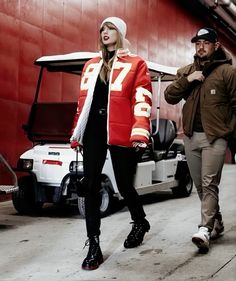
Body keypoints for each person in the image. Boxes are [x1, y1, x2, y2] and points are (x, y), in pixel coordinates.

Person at [70, 17, 152, 270]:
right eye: (102, 29)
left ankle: (140, 221)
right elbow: (82, 104)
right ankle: (93, 243)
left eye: (110, 29)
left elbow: (142, 98)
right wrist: (77, 133)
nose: (105, 32)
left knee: (125, 185)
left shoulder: (136, 63)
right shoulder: (91, 65)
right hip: (94, 130)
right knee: (90, 184)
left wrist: (140, 132)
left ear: (121, 33)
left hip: (122, 129)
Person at [164, 27, 236, 252]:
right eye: (197, 43)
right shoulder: (186, 71)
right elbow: (170, 96)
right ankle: (217, 221)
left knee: (209, 183)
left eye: (206, 42)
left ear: (215, 45)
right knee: (200, 187)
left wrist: (228, 132)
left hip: (215, 137)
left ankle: (204, 229)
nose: (201, 46)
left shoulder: (227, 72)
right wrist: (189, 80)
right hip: (191, 137)